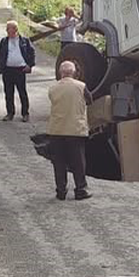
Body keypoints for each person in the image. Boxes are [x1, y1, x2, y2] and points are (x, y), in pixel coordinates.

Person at [47, 60, 91, 201]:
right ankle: (81, 189)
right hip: (75, 129)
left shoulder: (53, 88)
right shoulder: (81, 86)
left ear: (60, 73)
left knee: (59, 163)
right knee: (78, 162)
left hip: (57, 130)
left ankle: (61, 191)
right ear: (74, 73)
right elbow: (90, 100)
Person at [0, 20, 35, 122]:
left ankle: (25, 113)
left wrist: (30, 65)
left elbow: (32, 53)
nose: (8, 31)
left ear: (16, 29)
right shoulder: (4, 41)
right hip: (8, 70)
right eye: (7, 29)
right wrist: (0, 68)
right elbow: (0, 55)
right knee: (8, 93)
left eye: (10, 28)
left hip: (20, 70)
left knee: (22, 92)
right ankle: (10, 113)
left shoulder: (24, 41)